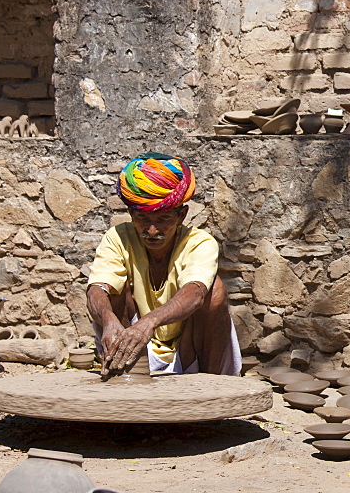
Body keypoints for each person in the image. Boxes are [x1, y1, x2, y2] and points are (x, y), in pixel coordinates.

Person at [86, 152, 242, 377]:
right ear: (131, 214)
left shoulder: (199, 243)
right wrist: (108, 320)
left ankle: (208, 387)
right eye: (143, 219)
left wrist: (149, 322)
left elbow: (195, 294)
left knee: (214, 291)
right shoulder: (117, 237)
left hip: (186, 347)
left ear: (182, 215)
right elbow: (96, 289)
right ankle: (120, 374)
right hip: (134, 346)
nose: (152, 231)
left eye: (163, 219)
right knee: (109, 292)